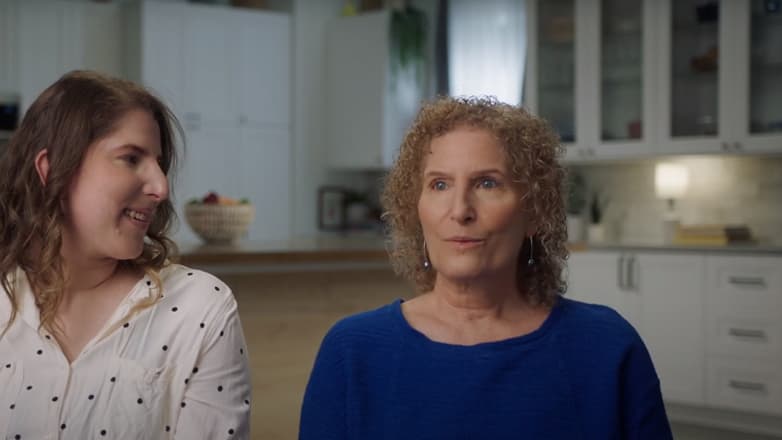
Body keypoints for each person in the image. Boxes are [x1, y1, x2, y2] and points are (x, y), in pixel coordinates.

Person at [299, 96, 673, 439]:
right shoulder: (352, 351)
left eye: (487, 183)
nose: (460, 210)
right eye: (440, 184)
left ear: (534, 212)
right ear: (416, 209)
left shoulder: (607, 348)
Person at [0, 71, 251, 439]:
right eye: (130, 158)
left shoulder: (201, 309)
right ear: (50, 168)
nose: (161, 187)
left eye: (158, 164)